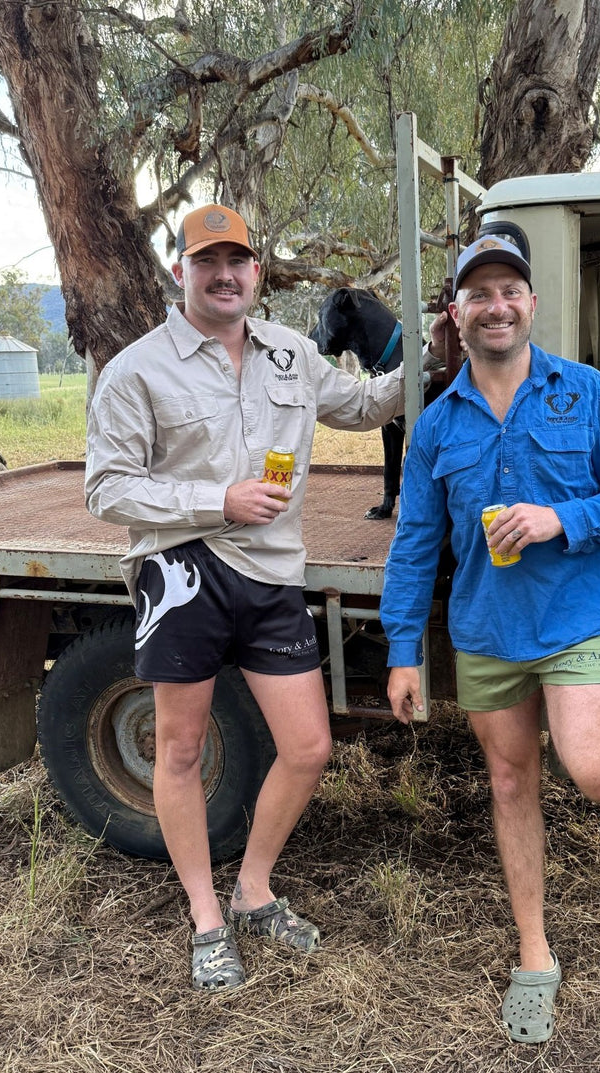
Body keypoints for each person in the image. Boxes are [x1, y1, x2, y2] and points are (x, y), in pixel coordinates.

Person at [85, 204, 406, 991]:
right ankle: (205, 917)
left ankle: (253, 887)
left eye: (238, 261)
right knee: (182, 749)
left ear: (257, 271)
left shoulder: (292, 353)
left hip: (270, 573)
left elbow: (364, 408)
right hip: (182, 567)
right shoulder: (137, 369)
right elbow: (106, 487)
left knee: (308, 747)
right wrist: (215, 501)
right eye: (207, 261)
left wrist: (426, 361)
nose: (224, 275)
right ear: (181, 273)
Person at [381, 236, 600, 1043]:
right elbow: (412, 543)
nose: (496, 305)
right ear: (457, 314)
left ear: (531, 304)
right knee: (510, 783)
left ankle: (578, 703)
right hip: (488, 633)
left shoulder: (587, 394)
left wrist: (562, 518)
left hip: (573, 620)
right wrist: (403, 648)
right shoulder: (436, 427)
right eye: (479, 294)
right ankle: (534, 954)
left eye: (510, 289)